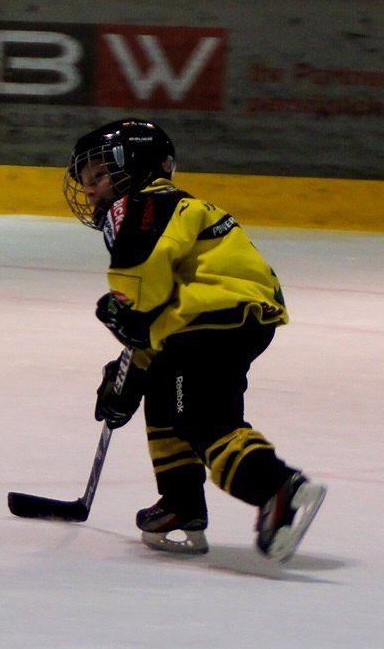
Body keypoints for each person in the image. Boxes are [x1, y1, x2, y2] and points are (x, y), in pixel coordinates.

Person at [66, 118, 325, 562]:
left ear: (137, 166)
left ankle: (277, 487)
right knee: (164, 394)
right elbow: (160, 314)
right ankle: (181, 503)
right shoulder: (175, 206)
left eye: (100, 175)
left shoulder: (143, 205)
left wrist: (123, 313)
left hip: (211, 319)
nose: (90, 190)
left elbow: (143, 289)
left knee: (204, 419)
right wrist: (131, 373)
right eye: (87, 180)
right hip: (220, 318)